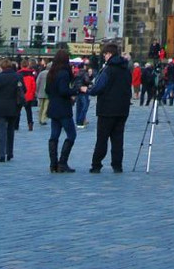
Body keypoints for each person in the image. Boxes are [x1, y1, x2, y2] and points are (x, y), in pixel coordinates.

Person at [88, 42, 132, 174]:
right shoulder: (126, 70)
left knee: (102, 139)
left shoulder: (108, 70)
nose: (104, 56)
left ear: (109, 54)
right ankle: (117, 165)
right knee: (118, 139)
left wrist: (90, 90)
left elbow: (99, 87)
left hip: (106, 109)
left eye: (105, 54)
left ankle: (96, 164)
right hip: (122, 109)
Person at [45, 46, 81, 174]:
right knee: (71, 135)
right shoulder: (64, 73)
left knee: (54, 136)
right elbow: (63, 91)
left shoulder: (51, 72)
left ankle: (53, 164)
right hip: (63, 108)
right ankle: (62, 162)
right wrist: (76, 91)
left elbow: (47, 90)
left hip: (53, 107)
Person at [0, 57, 24, 163]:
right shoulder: (17, 77)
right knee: (11, 130)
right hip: (13, 106)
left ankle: (2, 154)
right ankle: (10, 152)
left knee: (2, 130)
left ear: (1, 67)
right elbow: (23, 89)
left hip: (0, 106)